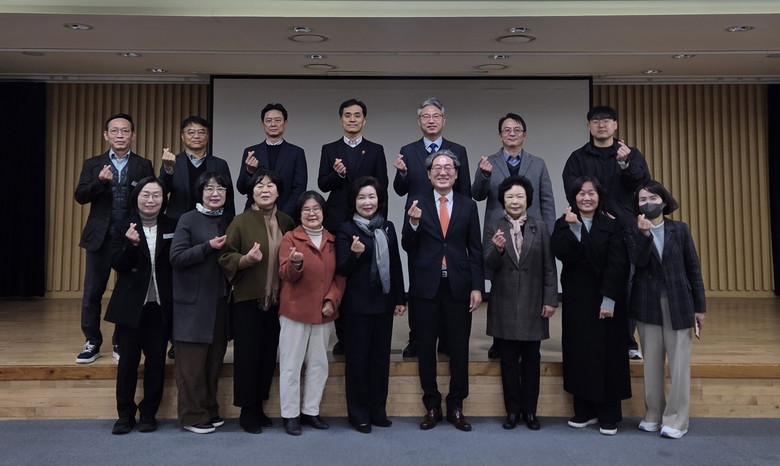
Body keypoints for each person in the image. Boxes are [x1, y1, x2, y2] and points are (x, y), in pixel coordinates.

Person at [402, 149, 484, 432]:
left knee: (459, 348)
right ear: (428, 174)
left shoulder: (468, 205)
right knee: (426, 348)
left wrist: (477, 286)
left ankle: (456, 405)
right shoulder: (417, 202)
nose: (443, 172)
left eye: (449, 167)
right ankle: (432, 405)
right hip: (426, 287)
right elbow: (407, 245)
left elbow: (475, 249)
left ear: (456, 174)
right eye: (437, 167)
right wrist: (413, 223)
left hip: (458, 286)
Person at [562, 105, 651, 360]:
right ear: (588, 126)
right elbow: (573, 191)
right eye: (596, 121)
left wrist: (625, 164)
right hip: (591, 228)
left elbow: (642, 187)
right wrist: (599, 212)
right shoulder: (578, 157)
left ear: (615, 125)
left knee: (627, 285)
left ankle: (627, 341)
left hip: (625, 229)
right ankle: (592, 337)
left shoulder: (630, 154)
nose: (601, 125)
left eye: (607, 120)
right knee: (591, 283)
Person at [471, 112, 556, 359]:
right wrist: (484, 175)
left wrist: (548, 235)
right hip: (498, 231)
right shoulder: (489, 162)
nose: (511, 134)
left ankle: (528, 336)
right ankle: (499, 339)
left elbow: (547, 200)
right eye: (506, 130)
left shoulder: (538, 163)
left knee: (530, 285)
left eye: (516, 130)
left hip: (532, 232)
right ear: (500, 135)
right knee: (500, 285)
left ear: (524, 135)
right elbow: (477, 194)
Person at [551, 176, 632, 436]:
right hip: (577, 301)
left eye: (591, 193)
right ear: (573, 197)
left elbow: (617, 264)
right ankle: (584, 410)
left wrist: (609, 299)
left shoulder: (613, 224)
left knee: (608, 356)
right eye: (581, 193)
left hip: (606, 300)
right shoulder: (563, 224)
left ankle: (609, 414)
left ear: (599, 196)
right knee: (580, 353)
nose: (586, 198)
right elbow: (564, 254)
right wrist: (575, 229)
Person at [626, 180, 706, 439]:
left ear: (663, 200)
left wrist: (700, 308)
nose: (648, 203)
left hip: (679, 302)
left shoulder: (679, 229)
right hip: (647, 303)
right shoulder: (633, 231)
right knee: (651, 363)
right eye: (642, 199)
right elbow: (637, 262)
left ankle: (677, 420)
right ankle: (653, 414)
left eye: (653, 198)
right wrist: (644, 235)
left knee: (679, 364)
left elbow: (693, 268)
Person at [218, 168, 295, 434]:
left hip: (278, 301)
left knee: (267, 356)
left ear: (278, 192)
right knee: (247, 357)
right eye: (259, 185)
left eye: (271, 185)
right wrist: (245, 260)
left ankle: (259, 406)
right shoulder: (240, 221)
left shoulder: (287, 221)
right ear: (252, 191)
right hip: (248, 299)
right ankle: (246, 411)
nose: (265, 189)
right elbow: (225, 255)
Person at [393, 97, 471, 358]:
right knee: (419, 284)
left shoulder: (458, 150)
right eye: (425, 116)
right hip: (418, 223)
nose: (431, 120)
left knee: (449, 286)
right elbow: (399, 190)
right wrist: (401, 173)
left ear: (444, 120)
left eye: (436, 115)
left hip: (450, 225)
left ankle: (447, 339)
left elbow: (465, 191)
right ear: (419, 122)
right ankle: (417, 338)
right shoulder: (408, 149)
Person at [74, 113, 154, 363]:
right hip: (99, 237)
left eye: (125, 131)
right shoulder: (93, 164)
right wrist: (99, 182)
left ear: (133, 135)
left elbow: (150, 197)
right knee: (92, 292)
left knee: (126, 292)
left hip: (129, 237)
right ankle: (92, 341)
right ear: (106, 135)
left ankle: (121, 340)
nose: (120, 135)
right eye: (115, 131)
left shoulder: (143, 165)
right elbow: (81, 196)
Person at [483, 176, 558, 431]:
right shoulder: (494, 227)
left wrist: (550, 299)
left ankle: (530, 411)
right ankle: (512, 411)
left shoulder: (540, 227)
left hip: (533, 303)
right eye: (510, 196)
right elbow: (488, 264)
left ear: (528, 200)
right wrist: (497, 250)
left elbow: (549, 267)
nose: (515, 201)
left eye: (520, 196)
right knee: (507, 361)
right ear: (502, 200)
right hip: (504, 303)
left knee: (531, 360)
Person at [104, 176, 175, 434]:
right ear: (136, 198)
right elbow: (117, 264)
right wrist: (131, 245)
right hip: (131, 306)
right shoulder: (123, 225)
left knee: (156, 362)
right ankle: (125, 415)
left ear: (163, 199)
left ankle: (148, 413)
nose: (151, 200)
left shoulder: (173, 225)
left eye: (157, 195)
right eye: (146, 194)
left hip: (160, 306)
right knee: (128, 363)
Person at [318, 98, 388, 354]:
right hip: (338, 223)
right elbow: (323, 184)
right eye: (347, 115)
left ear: (364, 120)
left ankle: (364, 332)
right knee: (339, 276)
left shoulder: (375, 150)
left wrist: (381, 224)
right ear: (341, 120)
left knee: (365, 276)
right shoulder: (330, 149)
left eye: (357, 115)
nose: (352, 119)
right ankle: (343, 337)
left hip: (369, 224)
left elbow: (382, 189)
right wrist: (336, 174)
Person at [336, 177, 406, 434]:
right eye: (362, 197)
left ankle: (378, 411)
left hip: (383, 303)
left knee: (379, 360)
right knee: (357, 361)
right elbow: (341, 268)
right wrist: (354, 254)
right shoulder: (345, 229)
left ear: (379, 200)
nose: (367, 202)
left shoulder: (387, 227)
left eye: (372, 197)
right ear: (354, 201)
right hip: (356, 306)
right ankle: (358, 414)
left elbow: (396, 264)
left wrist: (400, 299)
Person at [277, 191, 346, 436]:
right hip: (295, 312)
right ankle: (290, 414)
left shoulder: (333, 240)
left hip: (323, 312)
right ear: (299, 214)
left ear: (323, 212)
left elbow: (340, 276)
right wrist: (295, 263)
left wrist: (332, 300)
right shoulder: (290, 238)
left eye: (316, 208)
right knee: (291, 365)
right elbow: (285, 274)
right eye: (306, 209)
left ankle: (310, 410)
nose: (312, 213)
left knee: (318, 365)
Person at [169, 171, 233, 434]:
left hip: (219, 301)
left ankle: (209, 410)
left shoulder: (228, 220)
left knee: (213, 362)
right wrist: (208, 246)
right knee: (192, 365)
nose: (215, 193)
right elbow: (176, 257)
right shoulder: (188, 219)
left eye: (220, 189)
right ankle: (192, 416)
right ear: (201, 193)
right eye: (209, 188)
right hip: (192, 304)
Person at [237, 103, 307, 216]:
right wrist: (249, 172)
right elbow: (241, 189)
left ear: (285, 123)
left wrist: (283, 214)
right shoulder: (251, 152)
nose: (273, 124)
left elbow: (299, 188)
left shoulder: (296, 152)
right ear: (262, 124)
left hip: (287, 214)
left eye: (278, 120)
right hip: (255, 214)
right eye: (268, 120)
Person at [160, 116, 235, 221]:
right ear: (182, 137)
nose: (196, 136)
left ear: (207, 136)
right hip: (177, 221)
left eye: (201, 132)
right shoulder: (173, 162)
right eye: (191, 132)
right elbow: (162, 191)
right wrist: (168, 168)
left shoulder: (219, 164)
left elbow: (229, 197)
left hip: (213, 221)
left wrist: (230, 222)